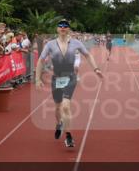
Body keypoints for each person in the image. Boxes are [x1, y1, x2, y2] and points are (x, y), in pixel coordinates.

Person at [35, 19, 103, 149]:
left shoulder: (76, 43)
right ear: (57, 29)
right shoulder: (50, 44)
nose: (63, 27)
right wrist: (37, 79)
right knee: (57, 107)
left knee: (65, 107)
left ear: (68, 29)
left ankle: (68, 136)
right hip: (56, 79)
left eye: (65, 26)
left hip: (70, 78)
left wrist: (96, 69)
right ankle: (59, 123)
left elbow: (88, 55)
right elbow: (40, 60)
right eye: (60, 25)